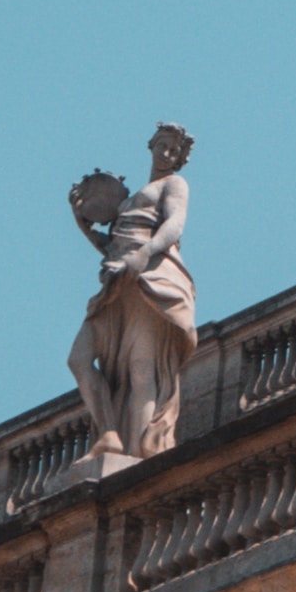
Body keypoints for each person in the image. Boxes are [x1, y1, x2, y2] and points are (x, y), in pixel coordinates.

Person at [67, 128, 202, 460]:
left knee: (141, 368)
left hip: (151, 279)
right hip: (117, 282)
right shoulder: (130, 198)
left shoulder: (174, 185)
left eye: (174, 151)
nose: (166, 154)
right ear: (151, 146)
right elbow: (113, 245)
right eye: (162, 146)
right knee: (79, 359)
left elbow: (174, 225)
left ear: (181, 160)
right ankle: (110, 435)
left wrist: (145, 254)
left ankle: (139, 451)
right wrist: (83, 227)